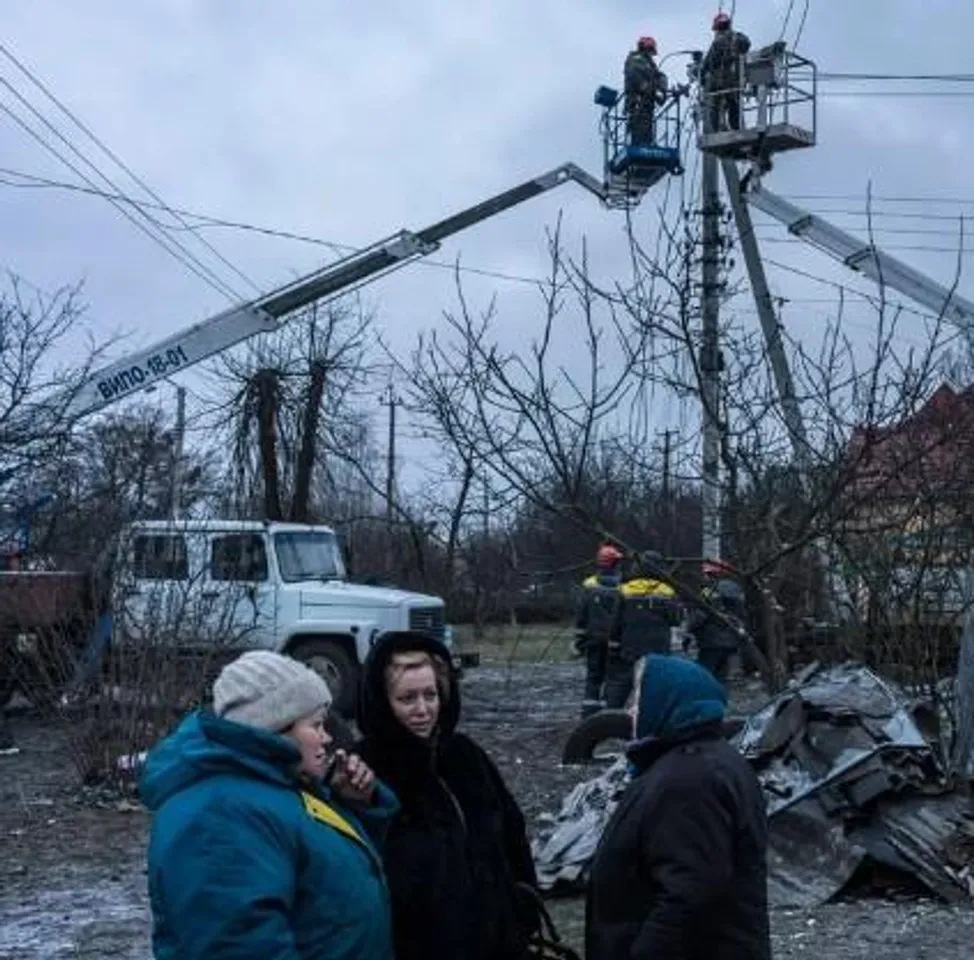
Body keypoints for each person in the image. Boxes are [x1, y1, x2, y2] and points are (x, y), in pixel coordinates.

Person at [140, 650, 399, 960]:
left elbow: (322, 878)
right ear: (277, 728)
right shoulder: (220, 819)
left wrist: (355, 805)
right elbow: (238, 947)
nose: (327, 738)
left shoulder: (278, 787)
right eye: (316, 725)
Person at [358, 631, 539, 960]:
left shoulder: (466, 757)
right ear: (382, 700)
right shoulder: (365, 771)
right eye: (407, 698)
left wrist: (522, 908)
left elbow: (513, 836)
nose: (423, 709)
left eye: (431, 695)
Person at [586, 653, 770, 960]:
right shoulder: (701, 762)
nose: (631, 711)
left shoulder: (690, 780)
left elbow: (690, 893)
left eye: (640, 699)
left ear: (668, 702)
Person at [602, 566, 682, 709]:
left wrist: (614, 644)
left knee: (622, 683)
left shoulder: (626, 589)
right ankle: (650, 717)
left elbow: (616, 620)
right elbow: (675, 619)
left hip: (631, 645)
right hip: (659, 646)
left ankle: (610, 715)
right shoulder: (667, 590)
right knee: (655, 684)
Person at [575, 543, 625, 716]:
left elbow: (582, 616)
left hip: (594, 639)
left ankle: (588, 713)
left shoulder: (589, 585)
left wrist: (580, 641)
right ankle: (606, 715)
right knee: (612, 677)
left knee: (593, 676)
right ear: (616, 563)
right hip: (616, 641)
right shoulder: (624, 586)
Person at [689, 559, 748, 683]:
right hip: (731, 640)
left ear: (711, 574)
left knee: (704, 676)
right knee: (721, 678)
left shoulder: (709, 591)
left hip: (710, 641)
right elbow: (742, 614)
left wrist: (691, 628)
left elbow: (700, 615)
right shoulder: (736, 589)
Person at [701, 11, 751, 132]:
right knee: (734, 107)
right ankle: (736, 128)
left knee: (715, 108)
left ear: (717, 28)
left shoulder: (717, 42)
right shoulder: (738, 38)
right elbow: (746, 45)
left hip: (720, 83)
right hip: (735, 81)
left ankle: (716, 130)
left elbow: (708, 63)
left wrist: (702, 76)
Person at [624, 37, 669, 146]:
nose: (651, 54)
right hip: (637, 102)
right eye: (650, 51)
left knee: (647, 126)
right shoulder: (635, 59)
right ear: (645, 48)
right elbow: (634, 76)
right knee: (640, 127)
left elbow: (660, 76)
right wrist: (648, 89)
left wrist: (662, 90)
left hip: (647, 103)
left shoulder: (650, 63)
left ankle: (647, 143)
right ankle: (642, 144)